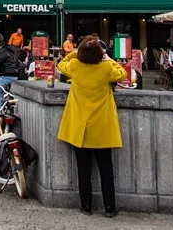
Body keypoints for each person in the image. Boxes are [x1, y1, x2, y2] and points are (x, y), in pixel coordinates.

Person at [57, 36, 126, 217]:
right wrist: (107, 57)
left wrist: (74, 53)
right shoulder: (106, 68)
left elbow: (61, 64)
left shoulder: (75, 67)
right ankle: (109, 207)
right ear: (100, 53)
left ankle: (86, 205)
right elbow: (123, 73)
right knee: (106, 168)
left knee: (83, 169)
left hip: (81, 127)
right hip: (102, 127)